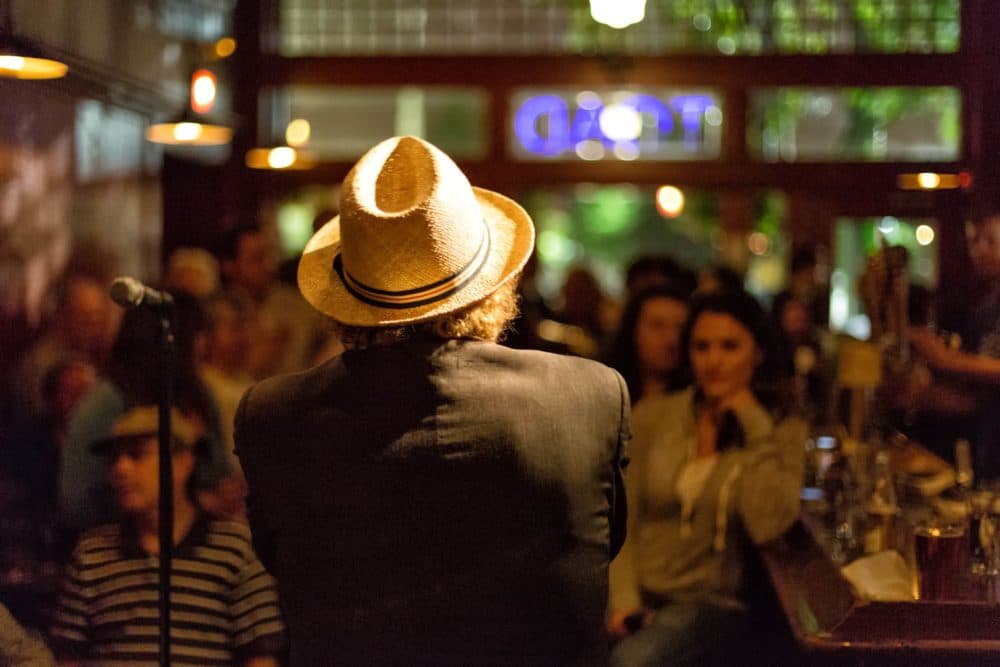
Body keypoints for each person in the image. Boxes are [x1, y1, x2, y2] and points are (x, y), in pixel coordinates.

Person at [235, 135, 630, 666]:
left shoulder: (273, 417)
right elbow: (605, 542)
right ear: (495, 285)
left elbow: (280, 557)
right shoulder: (591, 395)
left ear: (345, 303)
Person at [607, 290, 805, 667]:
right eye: (702, 347)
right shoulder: (653, 416)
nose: (714, 361)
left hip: (712, 605)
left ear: (758, 352)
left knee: (632, 662)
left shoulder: (781, 429)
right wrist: (624, 601)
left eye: (730, 346)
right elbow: (622, 520)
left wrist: (752, 420)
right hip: (641, 596)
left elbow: (768, 523)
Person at [50, 406, 286, 666]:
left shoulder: (236, 548)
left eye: (137, 455)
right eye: (114, 458)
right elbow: (68, 657)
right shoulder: (92, 553)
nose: (121, 468)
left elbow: (260, 658)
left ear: (184, 462)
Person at [60, 292, 233, 533]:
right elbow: (77, 502)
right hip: (120, 548)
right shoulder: (106, 404)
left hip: (200, 540)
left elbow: (219, 471)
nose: (204, 344)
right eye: (198, 333)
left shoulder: (196, 394)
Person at [908, 211, 1000, 480]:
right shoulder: (984, 310)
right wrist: (923, 396)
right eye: (975, 241)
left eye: (991, 242)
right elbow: (976, 396)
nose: (979, 250)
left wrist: (945, 358)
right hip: (987, 449)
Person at [216, 222, 325, 379]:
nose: (268, 265)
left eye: (269, 255)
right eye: (257, 259)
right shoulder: (220, 312)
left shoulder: (294, 303)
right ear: (229, 266)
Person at [606, 286, 691, 404]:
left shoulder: (695, 405)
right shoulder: (606, 393)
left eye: (680, 327)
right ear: (632, 330)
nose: (672, 338)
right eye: (658, 326)